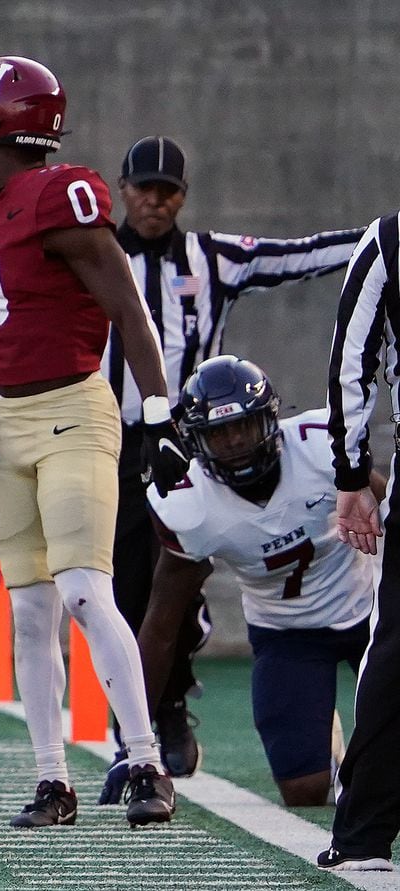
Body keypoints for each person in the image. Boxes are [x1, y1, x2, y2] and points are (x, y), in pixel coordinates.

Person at [0, 135, 364, 783]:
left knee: (164, 585)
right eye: (144, 187)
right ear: (123, 189)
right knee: (108, 585)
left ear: (183, 197)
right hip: (102, 437)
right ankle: (139, 727)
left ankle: (164, 715)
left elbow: (300, 256)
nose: (154, 200)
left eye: (167, 190)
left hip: (182, 444)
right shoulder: (61, 228)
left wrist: (379, 240)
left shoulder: (213, 258)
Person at [0, 55, 186, 828]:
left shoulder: (61, 195)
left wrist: (159, 411)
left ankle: (144, 760)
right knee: (30, 611)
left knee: (83, 589)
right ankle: (53, 780)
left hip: (76, 411)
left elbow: (127, 307)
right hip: (6, 421)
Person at [139, 355, 377, 808]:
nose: (233, 444)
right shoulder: (191, 504)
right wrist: (134, 739)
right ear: (196, 442)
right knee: (304, 791)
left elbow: (386, 507)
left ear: (270, 420)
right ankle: (324, 737)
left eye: (242, 427)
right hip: (287, 633)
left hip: (370, 612)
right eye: (217, 434)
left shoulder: (320, 445)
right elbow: (161, 624)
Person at [322, 213, 400, 872]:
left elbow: (352, 360)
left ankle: (366, 834)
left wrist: (351, 474)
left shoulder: (390, 239)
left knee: (396, 652)